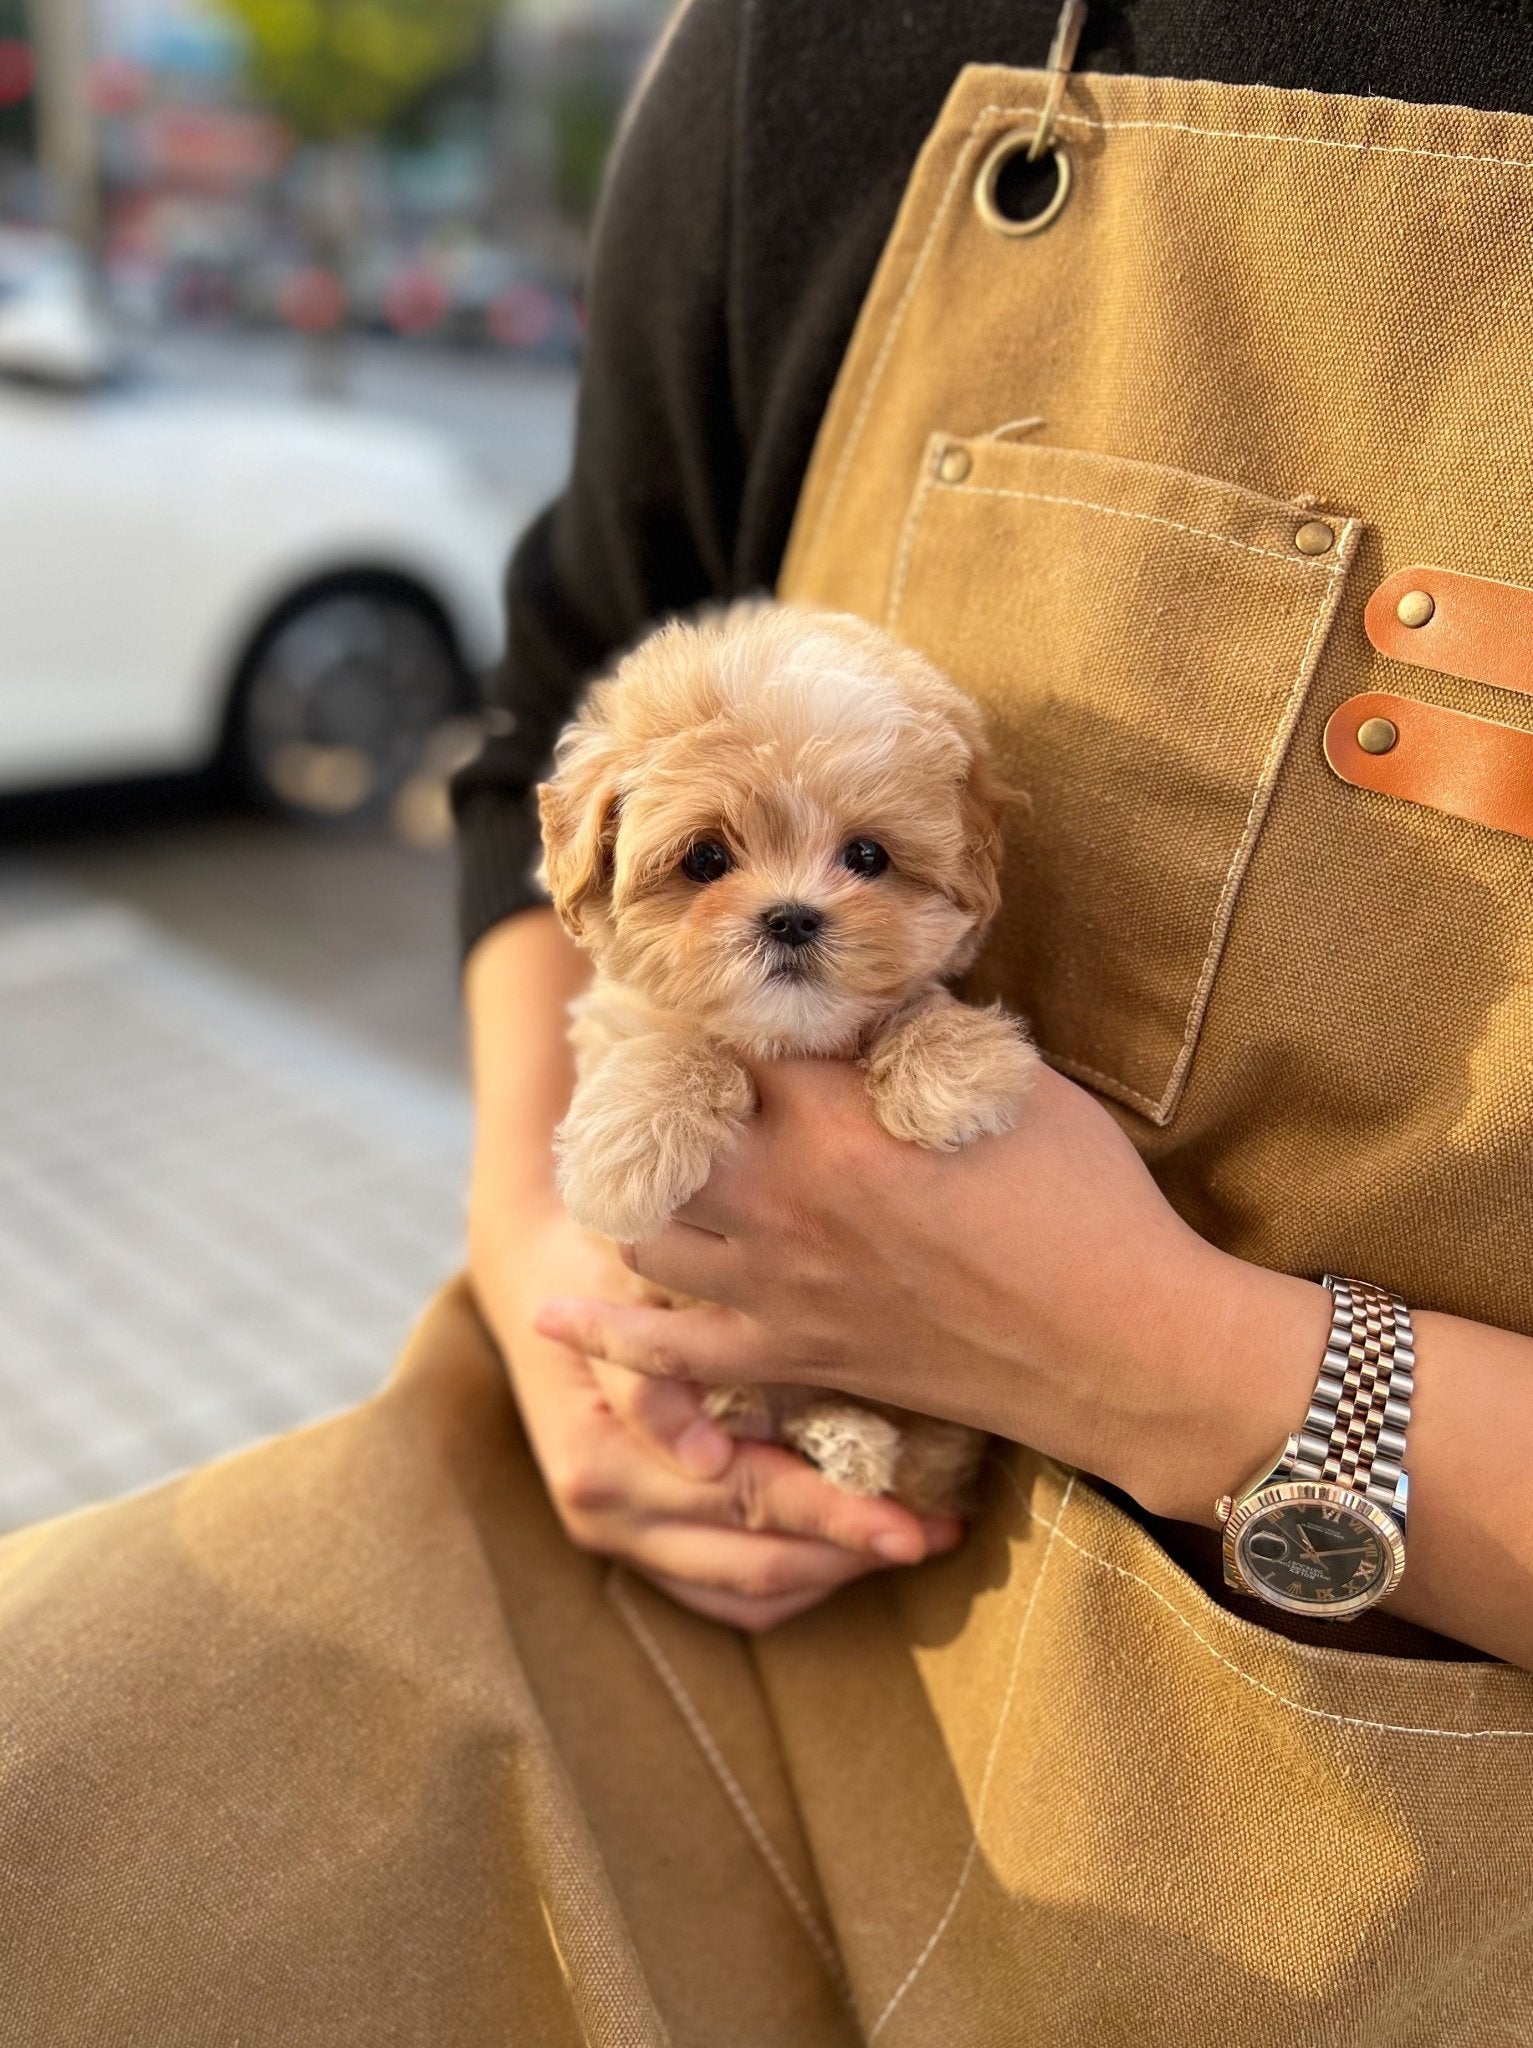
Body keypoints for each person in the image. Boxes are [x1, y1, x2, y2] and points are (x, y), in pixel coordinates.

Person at [5, 4, 1533, 2043]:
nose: (791, 906)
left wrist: (1193, 1369)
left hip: (1397, 1790)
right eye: (717, 855)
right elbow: (550, 692)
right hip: (660, 1540)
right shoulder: (810, 50)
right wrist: (551, 1268)